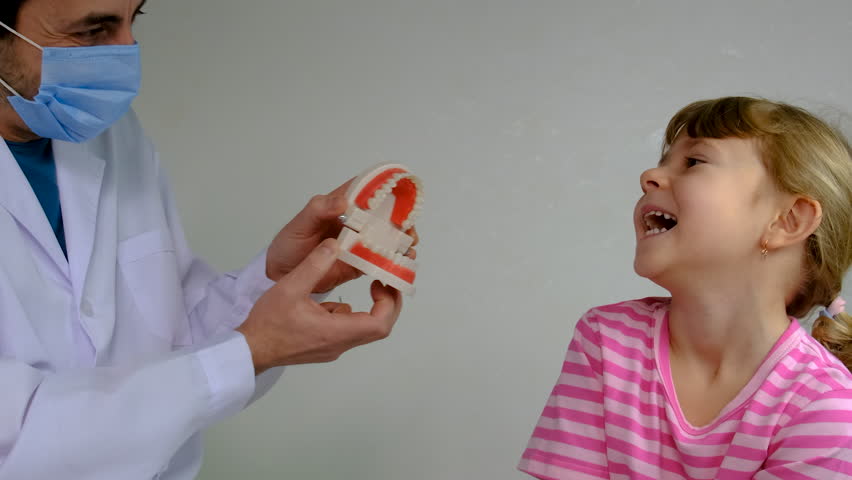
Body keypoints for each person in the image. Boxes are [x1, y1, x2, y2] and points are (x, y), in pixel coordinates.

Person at [0, 1, 414, 479]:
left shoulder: (112, 136)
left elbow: (171, 349)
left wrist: (280, 281)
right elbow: (20, 441)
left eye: (134, 19)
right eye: (94, 29)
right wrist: (251, 351)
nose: (127, 53)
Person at [518, 97, 852, 479]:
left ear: (787, 220)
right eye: (663, 161)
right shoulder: (608, 339)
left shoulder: (827, 407)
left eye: (693, 162)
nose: (649, 176)